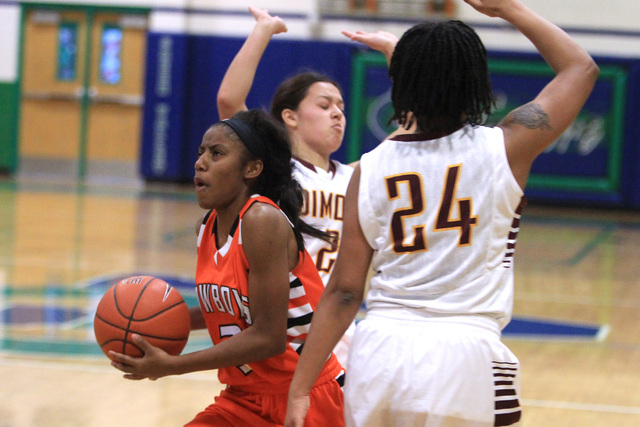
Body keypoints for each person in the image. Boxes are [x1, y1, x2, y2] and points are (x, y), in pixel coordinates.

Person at [286, 0, 599, 426]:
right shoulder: (506, 147)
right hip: (465, 354)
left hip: (379, 352)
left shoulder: (370, 167)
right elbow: (580, 69)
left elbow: (343, 291)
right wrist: (508, 9)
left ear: (400, 88)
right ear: (475, 81)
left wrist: (301, 388)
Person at [109, 109, 345, 427]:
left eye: (216, 153)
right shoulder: (206, 228)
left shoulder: (261, 220)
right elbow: (222, 309)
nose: (200, 162)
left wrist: (172, 365)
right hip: (243, 397)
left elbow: (268, 336)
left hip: (303, 397)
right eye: (201, 152)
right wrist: (144, 327)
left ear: (252, 168)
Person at [216, 6, 356, 366]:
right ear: (289, 117)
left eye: (341, 106)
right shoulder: (278, 169)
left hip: (339, 324)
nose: (338, 113)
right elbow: (229, 103)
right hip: (290, 323)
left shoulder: (354, 175)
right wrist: (264, 29)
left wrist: (393, 54)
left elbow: (409, 134)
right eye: (325, 105)